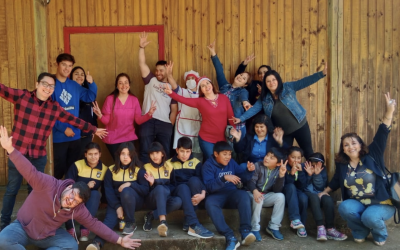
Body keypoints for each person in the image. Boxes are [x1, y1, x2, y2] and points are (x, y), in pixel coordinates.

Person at [0, 126, 140, 250]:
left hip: (48, 235)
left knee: (70, 246)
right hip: (23, 228)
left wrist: (120, 240)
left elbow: (94, 224)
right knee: (3, 239)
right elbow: (29, 171)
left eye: (76, 201)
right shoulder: (48, 184)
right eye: (72, 195)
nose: (70, 200)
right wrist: (10, 149)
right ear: (70, 187)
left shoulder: (77, 208)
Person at [0, 72, 106, 231]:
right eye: (45, 84)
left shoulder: (54, 108)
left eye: (51, 86)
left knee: (35, 192)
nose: (47, 88)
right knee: (12, 190)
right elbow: (3, 89)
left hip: (38, 156)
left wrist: (94, 129)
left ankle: (30, 222)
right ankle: (3, 223)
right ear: (37, 84)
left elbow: (74, 120)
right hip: (18, 153)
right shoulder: (22, 96)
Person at [318, 93, 396, 246]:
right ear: (343, 149)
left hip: (381, 203)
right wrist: (324, 192)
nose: (350, 147)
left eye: (354, 143)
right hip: (358, 202)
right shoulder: (342, 164)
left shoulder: (373, 153)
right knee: (345, 208)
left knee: (370, 217)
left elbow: (383, 131)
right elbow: (336, 181)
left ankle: (379, 234)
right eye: (346, 145)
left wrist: (389, 111)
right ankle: (360, 231)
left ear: (360, 145)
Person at [232, 62, 328, 158]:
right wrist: (241, 119)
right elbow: (254, 109)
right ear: (265, 84)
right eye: (268, 81)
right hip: (284, 132)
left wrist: (321, 73)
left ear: (278, 80)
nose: (271, 83)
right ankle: (285, 173)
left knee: (308, 152)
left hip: (300, 126)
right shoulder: (264, 98)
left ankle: (313, 172)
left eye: (274, 80)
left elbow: (304, 82)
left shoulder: (288, 87)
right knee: (282, 156)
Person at [163, 66, 235, 161]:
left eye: (207, 83)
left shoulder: (224, 98)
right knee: (212, 161)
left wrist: (234, 130)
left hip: (222, 138)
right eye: (202, 86)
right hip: (206, 138)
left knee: (223, 161)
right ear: (200, 90)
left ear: (212, 84)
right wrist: (171, 93)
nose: (206, 86)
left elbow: (230, 116)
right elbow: (183, 99)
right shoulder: (200, 101)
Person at [87, 142, 149, 250]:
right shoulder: (111, 170)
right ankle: (97, 243)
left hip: (134, 202)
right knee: (109, 221)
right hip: (116, 202)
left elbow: (145, 190)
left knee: (126, 191)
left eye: (128, 154)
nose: (125, 157)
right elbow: (108, 191)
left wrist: (130, 184)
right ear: (118, 155)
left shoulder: (139, 169)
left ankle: (131, 222)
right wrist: (117, 206)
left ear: (133, 155)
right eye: (123, 154)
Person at [52, 53, 99, 179]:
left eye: (69, 66)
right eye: (64, 65)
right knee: (58, 170)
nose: (67, 68)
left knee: (72, 171)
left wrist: (91, 83)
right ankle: (54, 196)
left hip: (75, 136)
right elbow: (48, 112)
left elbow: (90, 96)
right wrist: (63, 128)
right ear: (57, 64)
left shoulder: (74, 85)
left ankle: (69, 196)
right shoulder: (51, 85)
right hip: (59, 137)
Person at [202, 141, 256, 250]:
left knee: (243, 195)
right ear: (216, 154)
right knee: (210, 203)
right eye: (225, 154)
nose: (228, 157)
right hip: (216, 195)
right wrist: (224, 178)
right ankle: (230, 236)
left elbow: (242, 177)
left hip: (231, 192)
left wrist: (249, 171)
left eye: (230, 154)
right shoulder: (208, 165)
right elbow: (209, 187)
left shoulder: (231, 162)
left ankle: (245, 231)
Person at [92, 73, 156, 160]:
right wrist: (100, 115)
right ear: (117, 85)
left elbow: (138, 120)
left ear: (129, 85)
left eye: (126, 82)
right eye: (120, 83)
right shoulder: (110, 99)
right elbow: (106, 121)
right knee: (119, 163)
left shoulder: (134, 99)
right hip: (112, 138)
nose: (124, 85)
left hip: (129, 137)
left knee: (129, 163)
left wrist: (149, 114)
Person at [138, 32, 178, 163]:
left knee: (165, 152)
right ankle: (145, 179)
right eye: (157, 70)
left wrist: (169, 125)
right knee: (145, 151)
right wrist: (141, 48)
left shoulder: (172, 86)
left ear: (167, 70)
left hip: (164, 123)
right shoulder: (151, 80)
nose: (158, 73)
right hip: (147, 120)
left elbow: (174, 110)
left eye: (161, 70)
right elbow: (142, 63)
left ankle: (164, 179)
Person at [168, 137, 214, 238]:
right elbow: (169, 184)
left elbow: (201, 182)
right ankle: (193, 224)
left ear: (191, 151)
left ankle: (187, 222)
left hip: (193, 195)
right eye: (182, 151)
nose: (185, 154)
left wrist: (203, 194)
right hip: (178, 192)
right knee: (184, 187)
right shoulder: (169, 163)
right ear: (177, 150)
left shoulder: (196, 162)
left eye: (187, 151)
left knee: (194, 180)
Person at [207, 40, 252, 139]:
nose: (240, 77)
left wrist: (245, 103)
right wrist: (213, 52)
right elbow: (219, 70)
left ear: (245, 84)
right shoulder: (224, 86)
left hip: (237, 127)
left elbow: (244, 98)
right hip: (220, 124)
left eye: (244, 78)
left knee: (237, 152)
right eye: (240, 75)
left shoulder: (243, 91)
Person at [64, 142, 108, 241]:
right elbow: (67, 184)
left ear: (100, 154)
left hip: (90, 199)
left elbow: (106, 187)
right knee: (66, 195)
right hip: (74, 195)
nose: (93, 157)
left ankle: (85, 229)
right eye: (90, 154)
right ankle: (70, 229)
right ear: (85, 154)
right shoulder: (77, 165)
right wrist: (85, 187)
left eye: (96, 154)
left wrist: (104, 201)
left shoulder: (104, 169)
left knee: (96, 194)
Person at [303, 153, 347, 241]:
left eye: (318, 163)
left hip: (320, 191)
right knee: (314, 198)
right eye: (313, 163)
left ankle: (330, 228)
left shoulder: (322, 170)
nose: (315, 165)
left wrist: (316, 175)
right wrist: (309, 175)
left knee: (328, 199)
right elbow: (302, 185)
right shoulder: (304, 167)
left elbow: (320, 187)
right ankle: (320, 227)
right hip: (307, 193)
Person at [142, 142, 182, 237]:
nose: (154, 156)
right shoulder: (146, 168)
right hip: (152, 199)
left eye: (157, 152)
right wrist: (151, 185)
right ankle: (163, 221)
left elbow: (173, 185)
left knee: (178, 201)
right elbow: (143, 189)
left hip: (166, 197)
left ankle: (151, 215)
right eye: (152, 153)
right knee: (159, 188)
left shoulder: (169, 166)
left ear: (162, 154)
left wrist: (156, 182)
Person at [247, 147, 287, 241]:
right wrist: (255, 191)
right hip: (251, 194)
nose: (267, 158)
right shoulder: (258, 165)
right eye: (267, 155)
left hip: (266, 195)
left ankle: (273, 227)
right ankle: (254, 229)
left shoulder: (278, 170)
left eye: (272, 158)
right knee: (259, 198)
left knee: (281, 196)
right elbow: (250, 182)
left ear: (278, 163)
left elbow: (277, 190)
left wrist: (281, 175)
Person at [170, 70, 202, 160]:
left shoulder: (202, 95)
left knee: (196, 154)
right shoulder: (182, 92)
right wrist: (169, 74)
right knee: (182, 152)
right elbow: (173, 85)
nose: (191, 80)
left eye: (193, 78)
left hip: (197, 126)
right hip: (183, 125)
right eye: (188, 79)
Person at [70, 66, 98, 159]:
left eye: (82, 75)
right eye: (76, 74)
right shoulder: (67, 92)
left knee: (85, 161)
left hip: (86, 135)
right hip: (71, 134)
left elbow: (92, 115)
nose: (79, 76)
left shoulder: (88, 93)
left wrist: (94, 129)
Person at [283, 146, 308, 237]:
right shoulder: (284, 167)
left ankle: (302, 225)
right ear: (287, 157)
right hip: (286, 192)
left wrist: (301, 173)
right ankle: (294, 219)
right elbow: (286, 184)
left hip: (297, 192)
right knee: (291, 186)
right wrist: (292, 174)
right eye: (293, 157)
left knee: (304, 198)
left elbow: (302, 186)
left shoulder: (301, 167)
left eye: (298, 158)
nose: (296, 160)